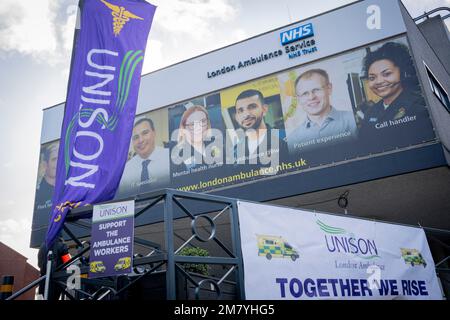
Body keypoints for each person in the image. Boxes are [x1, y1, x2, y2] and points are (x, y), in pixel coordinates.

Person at [359, 42, 434, 148]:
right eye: (372, 78)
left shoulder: (420, 105)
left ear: (403, 73)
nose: (379, 81)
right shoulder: (370, 112)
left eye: (387, 74)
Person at [287, 69, 356, 152]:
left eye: (316, 90)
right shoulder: (292, 140)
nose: (311, 97)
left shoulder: (354, 121)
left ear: (329, 89)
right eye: (305, 93)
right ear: (298, 99)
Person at [117, 117, 170, 197]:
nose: (141, 140)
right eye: (135, 137)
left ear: (154, 133)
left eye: (145, 133)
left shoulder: (170, 158)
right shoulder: (126, 171)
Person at [232, 89, 287, 163]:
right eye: (240, 111)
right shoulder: (235, 152)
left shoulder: (286, 137)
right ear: (237, 117)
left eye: (252, 107)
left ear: (264, 109)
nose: (246, 114)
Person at [173, 105, 221, 172]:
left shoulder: (215, 144)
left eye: (202, 121)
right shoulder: (179, 155)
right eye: (192, 124)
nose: (198, 128)